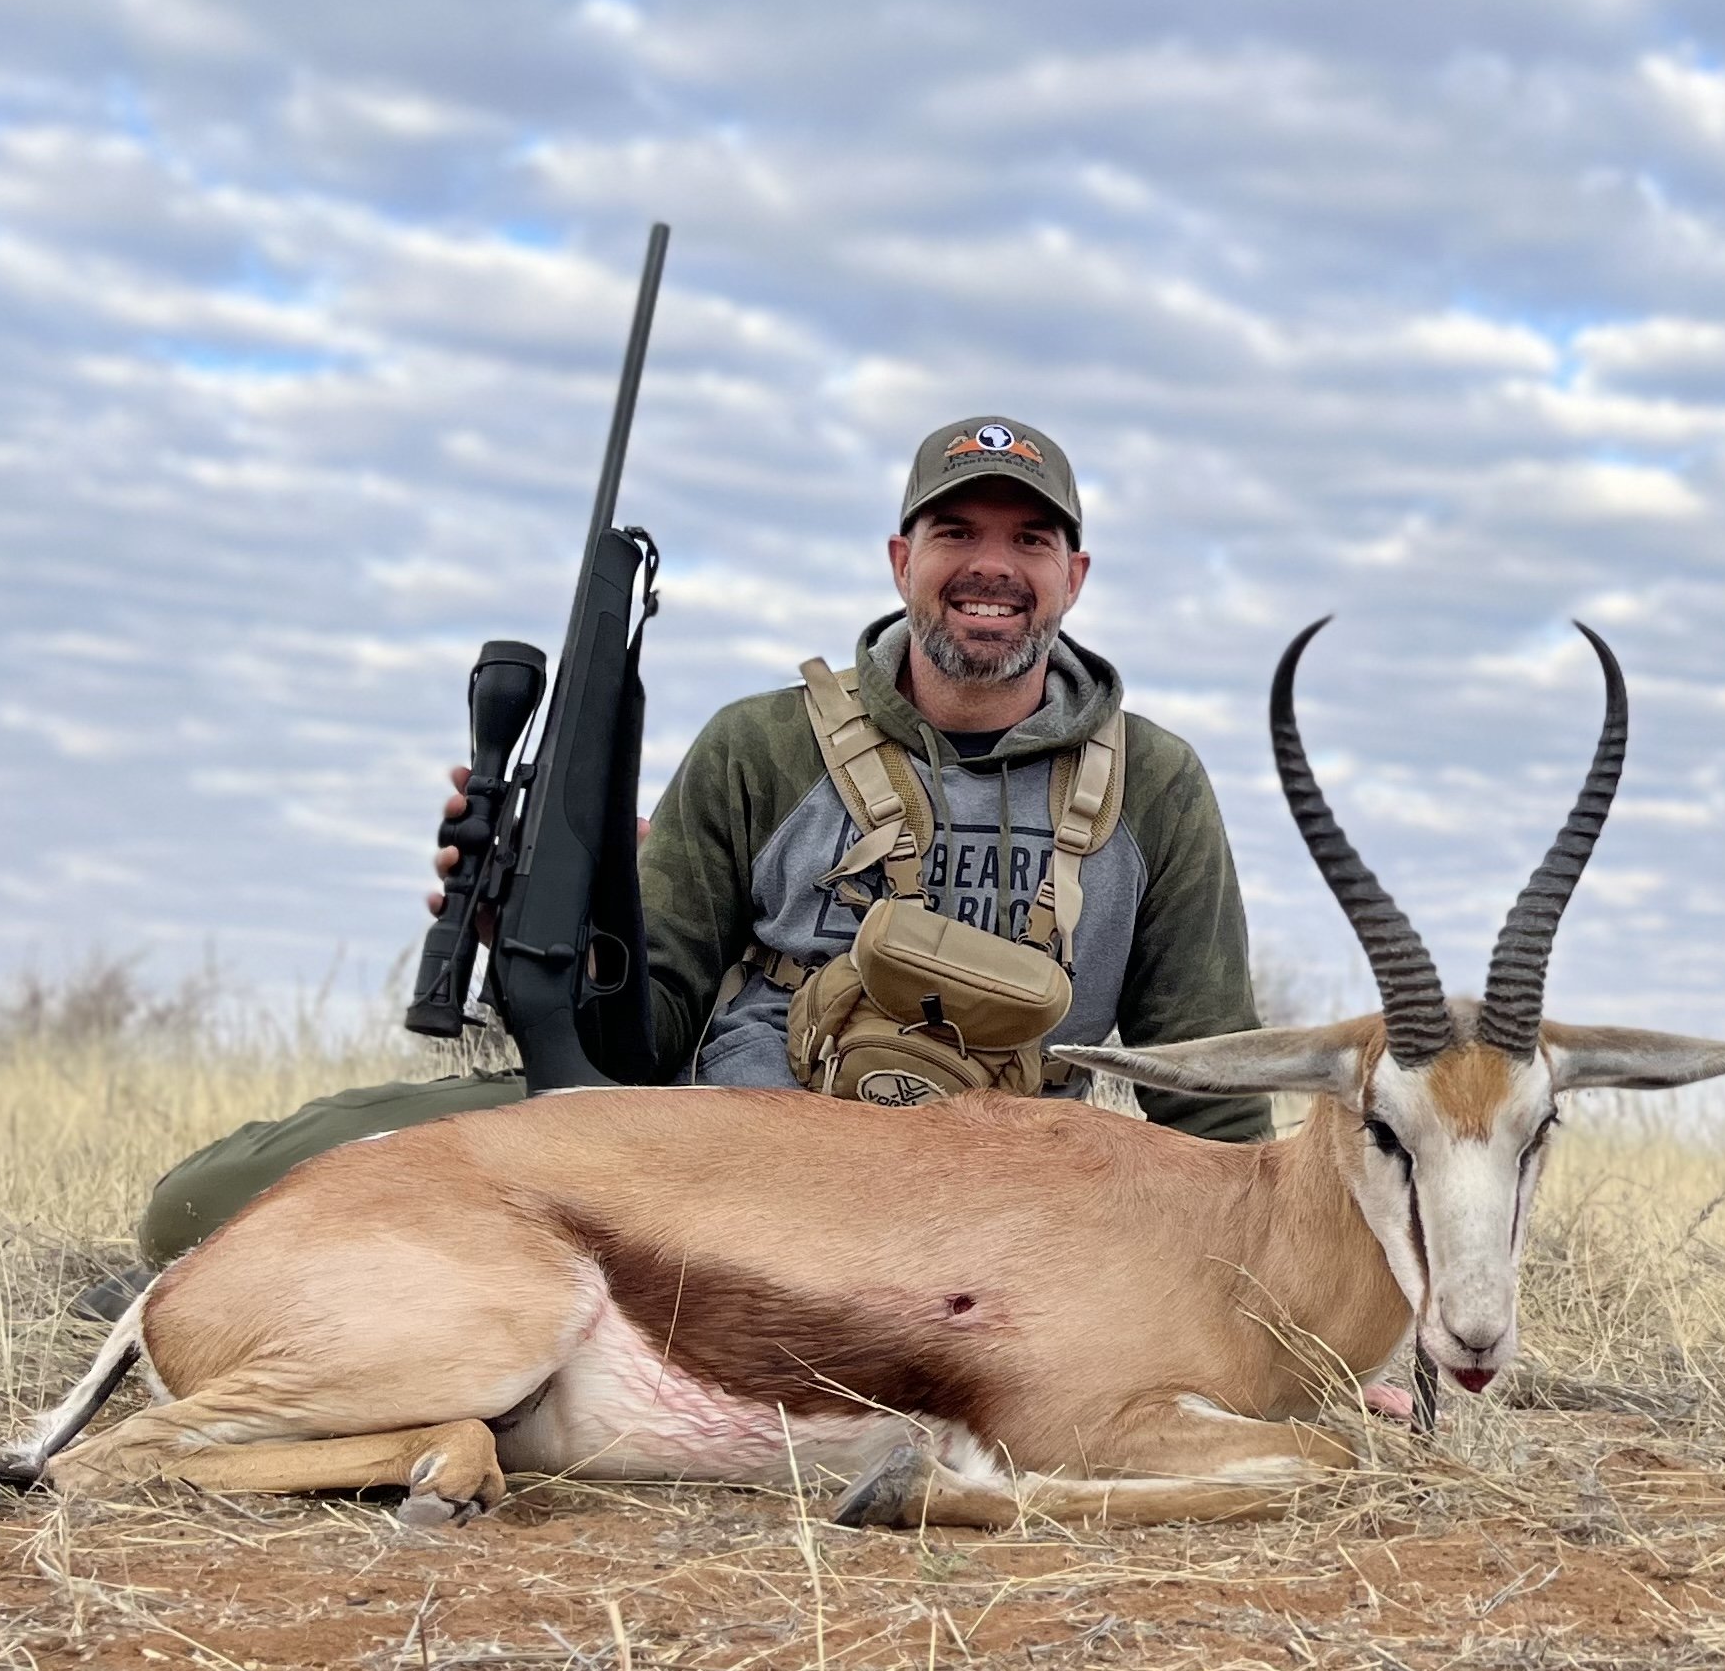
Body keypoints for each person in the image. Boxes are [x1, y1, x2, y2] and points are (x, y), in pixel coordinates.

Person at [125, 415, 1269, 1273]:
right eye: (955, 531)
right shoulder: (760, 746)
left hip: (1004, 1227)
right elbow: (642, 1031)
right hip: (724, 1171)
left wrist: (1298, 1320)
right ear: (899, 558)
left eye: (1030, 538)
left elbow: (1207, 1083)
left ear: (1074, 574)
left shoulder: (1154, 782)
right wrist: (556, 925)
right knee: (202, 1206)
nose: (991, 566)